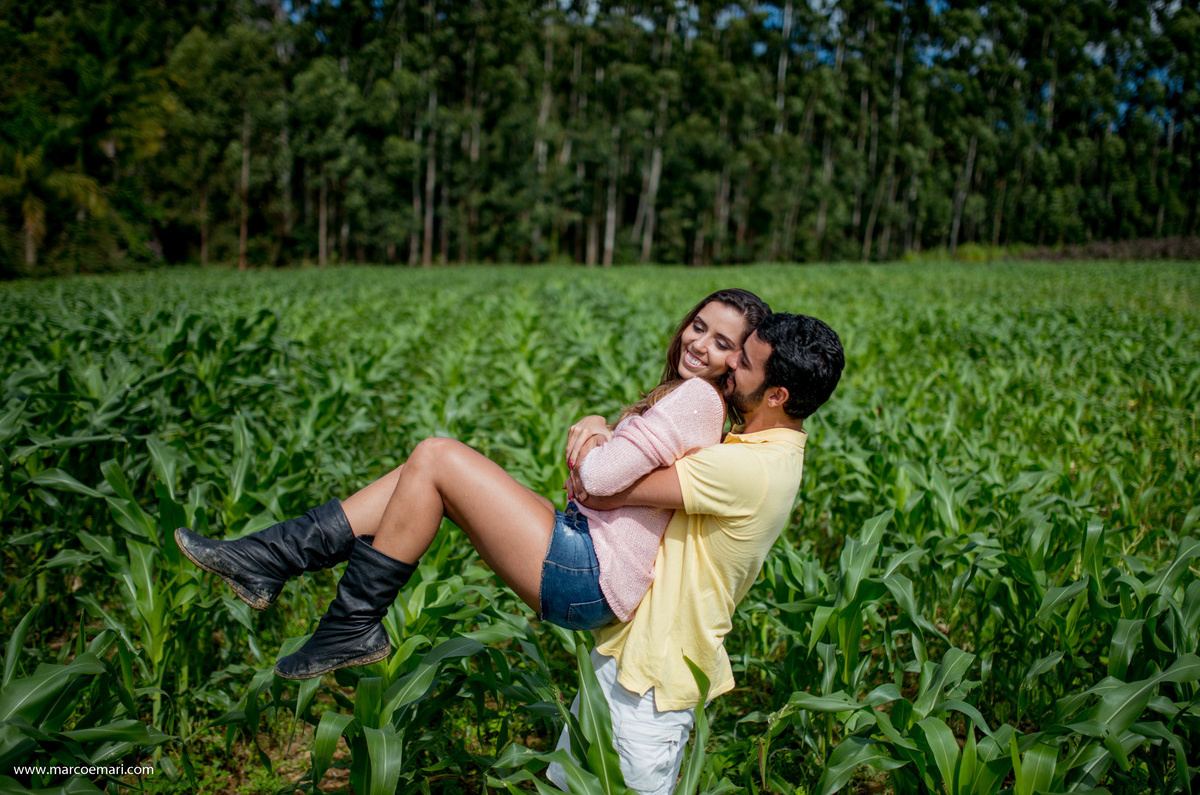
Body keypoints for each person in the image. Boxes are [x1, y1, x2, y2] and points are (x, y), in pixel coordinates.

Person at [174, 289, 770, 679]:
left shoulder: (697, 399)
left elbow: (596, 477)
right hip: (587, 552)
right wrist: (601, 434)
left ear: (737, 363)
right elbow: (604, 483)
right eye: (698, 326)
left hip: (591, 572)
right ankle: (272, 561)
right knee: (419, 474)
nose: (699, 344)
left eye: (721, 343)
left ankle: (341, 618)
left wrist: (593, 435)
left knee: (437, 456)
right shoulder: (692, 398)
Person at [547, 311, 844, 795]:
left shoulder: (748, 468)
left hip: (651, 685)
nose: (730, 365)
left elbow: (600, 488)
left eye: (745, 362)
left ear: (776, 395)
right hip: (632, 659)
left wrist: (597, 432)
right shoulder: (762, 450)